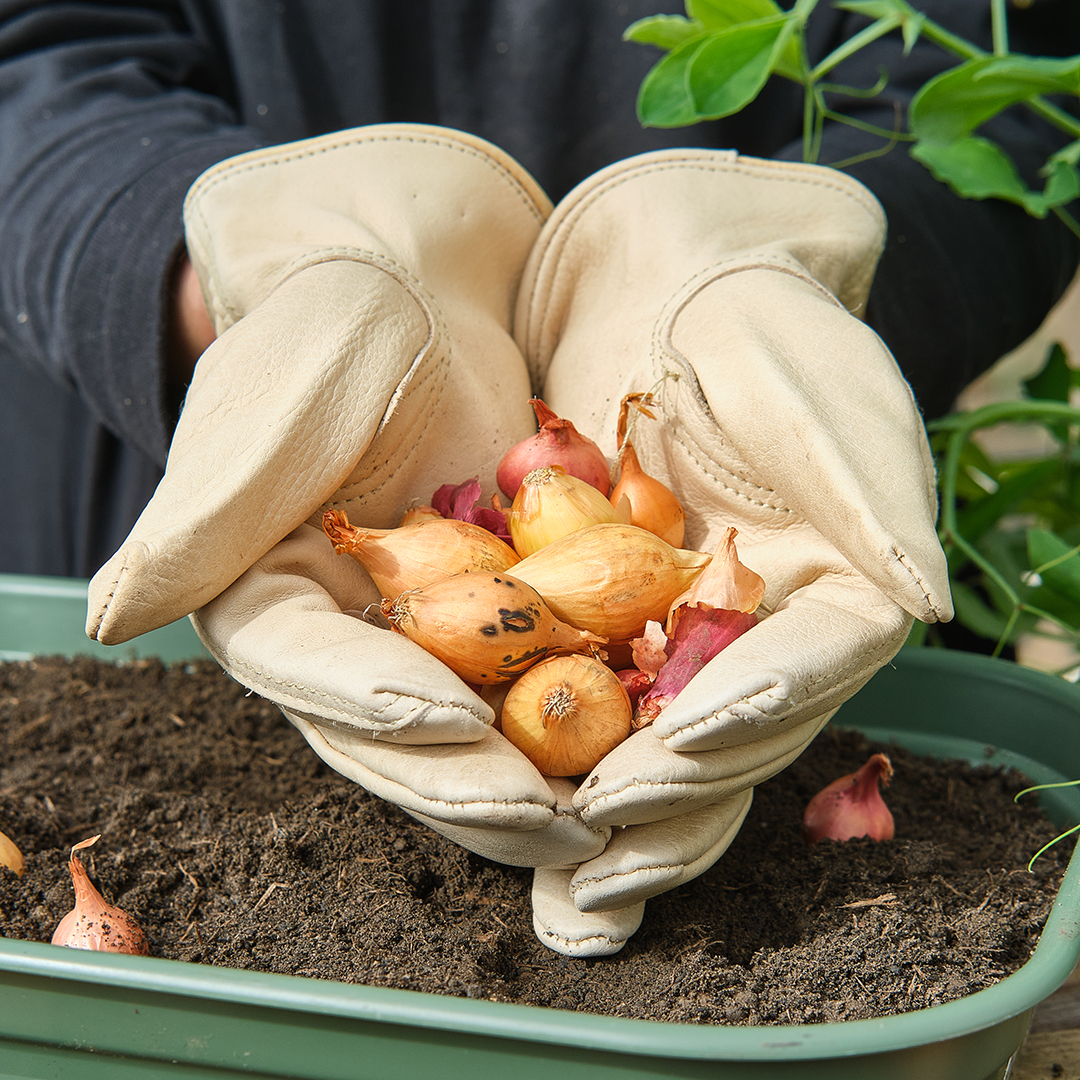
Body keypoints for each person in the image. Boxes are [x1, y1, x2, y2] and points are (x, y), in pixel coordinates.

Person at [2, 0, 1077, 956]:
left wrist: (779, 287)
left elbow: (1024, 104)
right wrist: (270, 291)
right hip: (228, 471)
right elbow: (31, 50)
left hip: (770, 473)